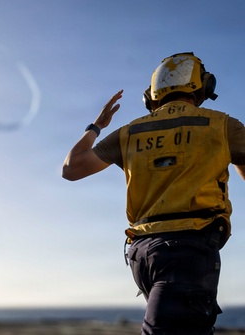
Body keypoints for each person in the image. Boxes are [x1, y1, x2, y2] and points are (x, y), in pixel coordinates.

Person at [61, 52, 245, 335]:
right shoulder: (222, 125)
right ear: (204, 86)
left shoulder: (129, 132)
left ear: (152, 95)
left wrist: (96, 127)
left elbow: (72, 168)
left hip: (143, 254)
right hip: (189, 251)